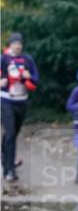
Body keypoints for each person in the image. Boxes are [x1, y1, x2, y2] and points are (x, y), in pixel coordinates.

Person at [1, 32, 39, 182]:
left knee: (13, 135)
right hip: (5, 100)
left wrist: (29, 77)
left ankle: (5, 157)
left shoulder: (27, 59)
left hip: (21, 102)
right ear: (10, 45)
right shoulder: (3, 59)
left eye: (20, 43)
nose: (18, 46)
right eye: (15, 43)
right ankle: (9, 170)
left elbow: (36, 80)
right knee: (10, 133)